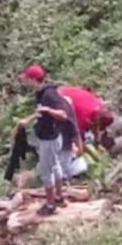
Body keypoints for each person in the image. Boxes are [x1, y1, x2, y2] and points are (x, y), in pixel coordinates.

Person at [19, 64, 72, 215]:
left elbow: (63, 114)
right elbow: (40, 112)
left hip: (50, 137)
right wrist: (28, 120)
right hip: (50, 136)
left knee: (46, 171)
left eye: (27, 79)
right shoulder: (41, 92)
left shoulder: (49, 95)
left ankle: (50, 204)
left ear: (34, 80)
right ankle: (59, 197)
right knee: (55, 166)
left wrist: (49, 110)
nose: (25, 82)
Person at [57, 85, 115, 150]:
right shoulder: (85, 117)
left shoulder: (97, 103)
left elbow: (96, 122)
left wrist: (96, 134)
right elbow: (75, 132)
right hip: (59, 99)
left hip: (63, 91)